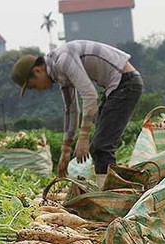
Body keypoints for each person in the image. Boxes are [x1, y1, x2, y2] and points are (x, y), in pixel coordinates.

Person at [11, 40, 143, 186]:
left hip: (126, 83)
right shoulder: (58, 71)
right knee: (99, 147)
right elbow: (71, 111)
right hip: (116, 87)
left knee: (101, 147)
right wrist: (66, 149)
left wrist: (84, 136)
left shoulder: (63, 60)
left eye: (33, 85)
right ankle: (109, 191)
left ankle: (110, 195)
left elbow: (90, 96)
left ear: (37, 71)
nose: (38, 89)